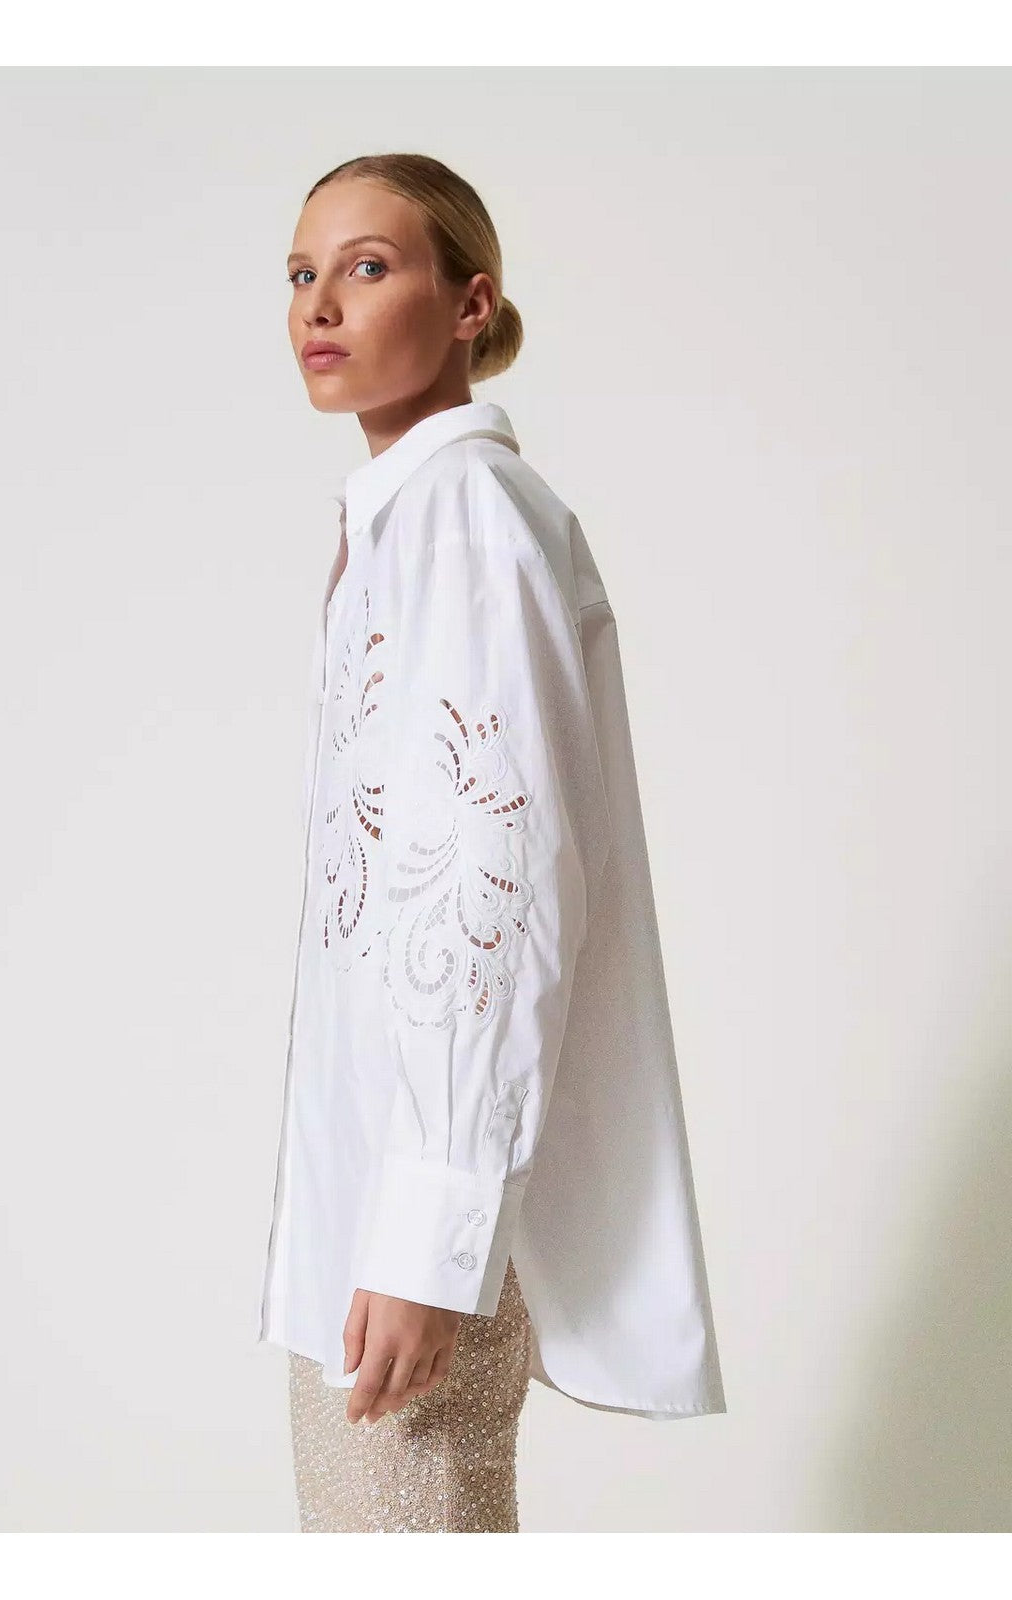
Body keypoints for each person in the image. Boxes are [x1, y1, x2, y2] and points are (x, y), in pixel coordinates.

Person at [256, 152, 726, 1534]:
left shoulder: (467, 517)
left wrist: (432, 1231)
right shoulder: (405, 522)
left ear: (472, 304)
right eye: (302, 273)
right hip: (372, 1204)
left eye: (368, 266)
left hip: (414, 1219)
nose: (320, 304)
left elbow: (492, 886)